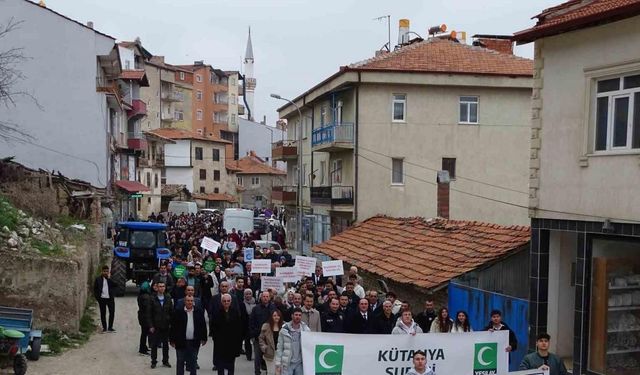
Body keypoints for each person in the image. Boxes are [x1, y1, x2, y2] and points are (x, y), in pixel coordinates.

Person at [169, 295, 207, 375]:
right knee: (180, 361)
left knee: (193, 361)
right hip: (181, 341)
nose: (189, 302)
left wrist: (204, 338)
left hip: (194, 341)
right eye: (188, 301)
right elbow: (173, 326)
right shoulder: (178, 311)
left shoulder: (199, 311)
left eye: (191, 301)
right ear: (184, 302)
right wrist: (172, 340)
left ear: (193, 302)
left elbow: (203, 325)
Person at [211, 293, 244, 375]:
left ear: (231, 302)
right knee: (220, 364)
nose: (226, 303)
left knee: (230, 365)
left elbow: (238, 328)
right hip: (220, 343)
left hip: (232, 343)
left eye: (228, 301)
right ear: (221, 302)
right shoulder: (217, 313)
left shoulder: (235, 312)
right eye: (224, 301)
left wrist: (238, 342)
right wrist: (216, 338)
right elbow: (213, 328)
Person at [146, 281, 173, 369]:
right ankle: (153, 361)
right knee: (154, 345)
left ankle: (165, 361)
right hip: (155, 326)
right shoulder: (152, 298)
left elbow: (171, 312)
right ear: (156, 288)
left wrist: (171, 323)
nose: (161, 288)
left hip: (165, 325)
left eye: (163, 286)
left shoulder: (168, 297)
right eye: (160, 286)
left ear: (165, 288)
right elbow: (149, 313)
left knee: (165, 344)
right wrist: (151, 326)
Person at [275, 308, 309, 375]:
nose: (298, 317)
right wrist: (278, 364)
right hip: (287, 363)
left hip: (300, 364)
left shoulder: (306, 330)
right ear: (292, 316)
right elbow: (279, 348)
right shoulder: (284, 330)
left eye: (299, 315)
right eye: (296, 315)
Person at [250, 291, 276, 375]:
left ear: (269, 297)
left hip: (270, 336)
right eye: (263, 296)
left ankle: (269, 371)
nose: (265, 298)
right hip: (258, 336)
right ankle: (257, 372)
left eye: (267, 296)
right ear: (261, 298)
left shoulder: (273, 308)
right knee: (258, 356)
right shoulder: (256, 308)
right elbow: (251, 322)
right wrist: (253, 333)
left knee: (270, 356)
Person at [259, 310, 283, 375]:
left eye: (278, 315)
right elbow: (261, 338)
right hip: (269, 353)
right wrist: (264, 347)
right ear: (271, 317)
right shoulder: (266, 326)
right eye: (274, 315)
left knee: (279, 373)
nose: (276, 317)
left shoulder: (284, 327)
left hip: (280, 354)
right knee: (271, 372)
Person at [93, 265, 116, 333]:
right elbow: (95, 289)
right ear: (102, 271)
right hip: (102, 299)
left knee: (112, 312)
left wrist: (109, 279)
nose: (106, 273)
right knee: (103, 313)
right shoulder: (98, 279)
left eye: (107, 271)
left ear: (109, 272)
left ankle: (110, 327)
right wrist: (98, 298)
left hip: (110, 299)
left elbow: (116, 285)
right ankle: (104, 328)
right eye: (104, 271)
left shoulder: (110, 279)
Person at [137, 281, 152, 355]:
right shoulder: (146, 297)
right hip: (145, 317)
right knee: (145, 333)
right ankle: (142, 349)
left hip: (141, 316)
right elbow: (147, 308)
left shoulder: (140, 295)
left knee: (144, 333)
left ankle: (144, 347)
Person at [243, 289, 257, 361]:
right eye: (246, 294)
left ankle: (257, 354)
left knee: (255, 340)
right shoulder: (242, 303)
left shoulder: (256, 302)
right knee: (247, 340)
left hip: (254, 324)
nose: (248, 295)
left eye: (249, 294)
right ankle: (248, 355)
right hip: (246, 324)